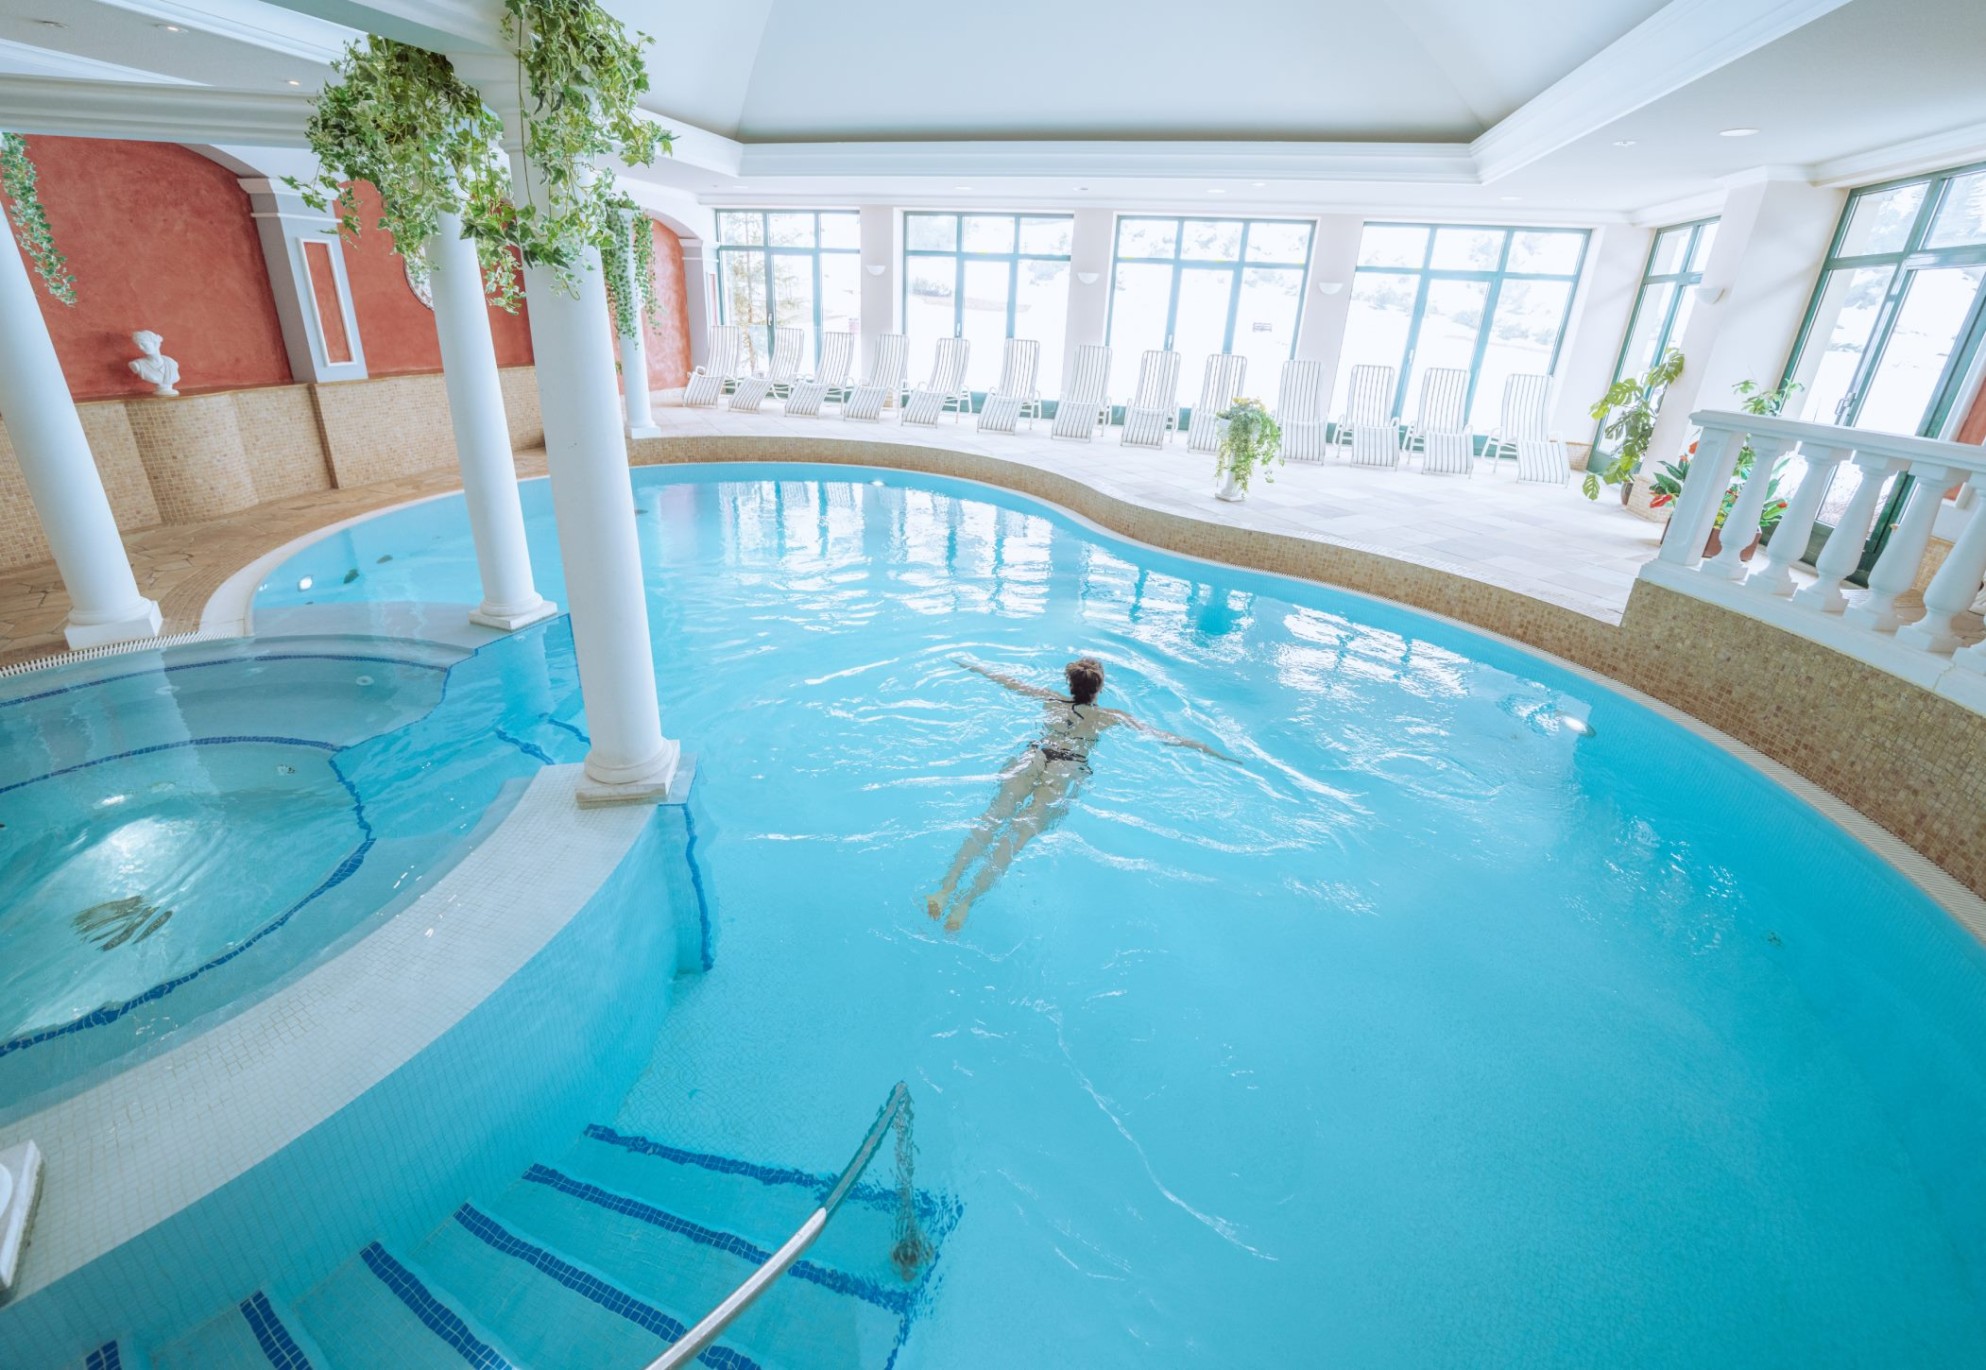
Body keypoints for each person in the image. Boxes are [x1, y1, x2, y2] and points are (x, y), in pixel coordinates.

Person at [927, 655, 1236, 932]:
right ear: (1098, 689)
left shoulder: (1050, 699)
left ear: (1068, 683)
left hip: (1034, 756)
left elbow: (1005, 680)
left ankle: (945, 888)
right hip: (1067, 768)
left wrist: (969, 662)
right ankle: (965, 903)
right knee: (1016, 837)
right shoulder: (1109, 717)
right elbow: (1167, 737)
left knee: (991, 821)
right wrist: (1213, 751)